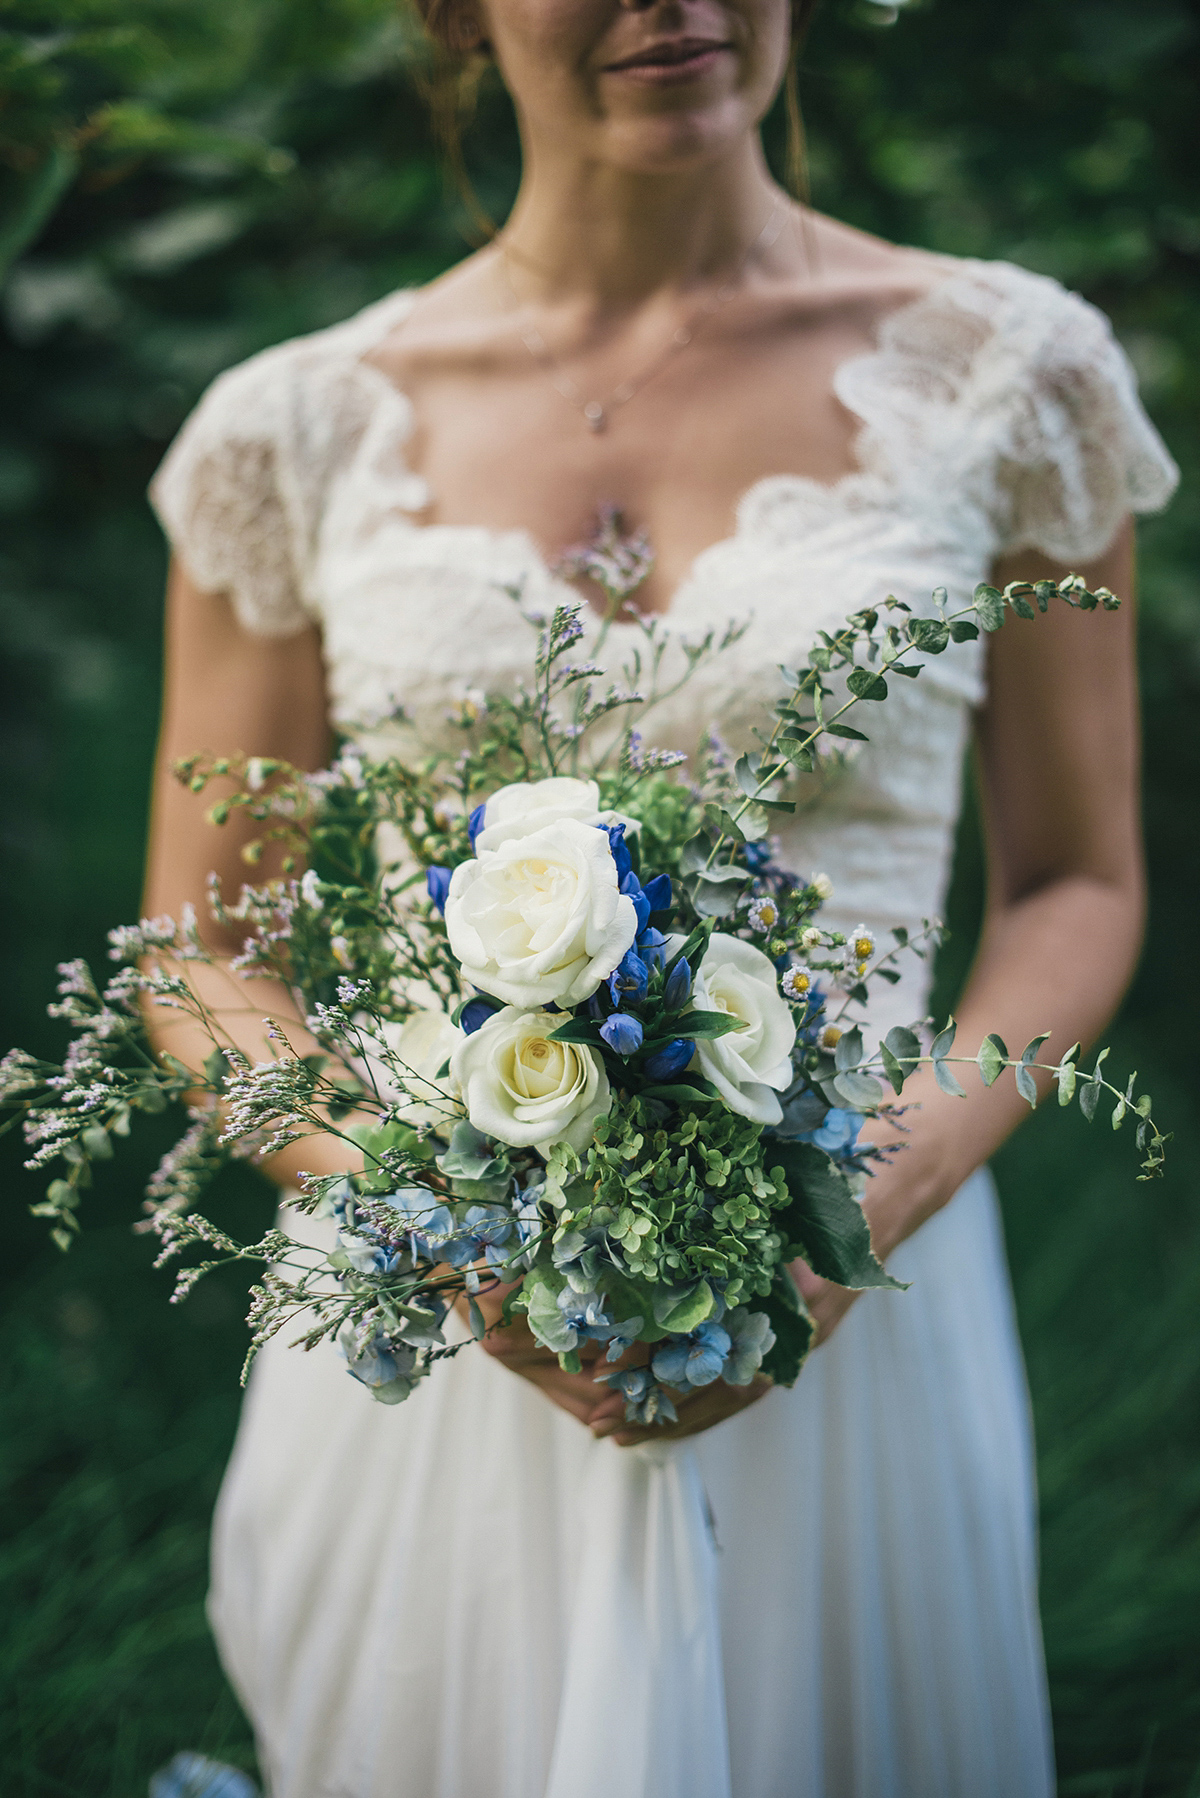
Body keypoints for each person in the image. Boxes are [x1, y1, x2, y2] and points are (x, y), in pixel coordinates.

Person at [140, 0, 1177, 1789]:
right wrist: (432, 1220)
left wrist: (883, 1186)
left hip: (857, 1285)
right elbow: (198, 951)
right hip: (440, 1316)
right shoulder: (292, 430)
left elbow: (1078, 878)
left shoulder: (1014, 376)